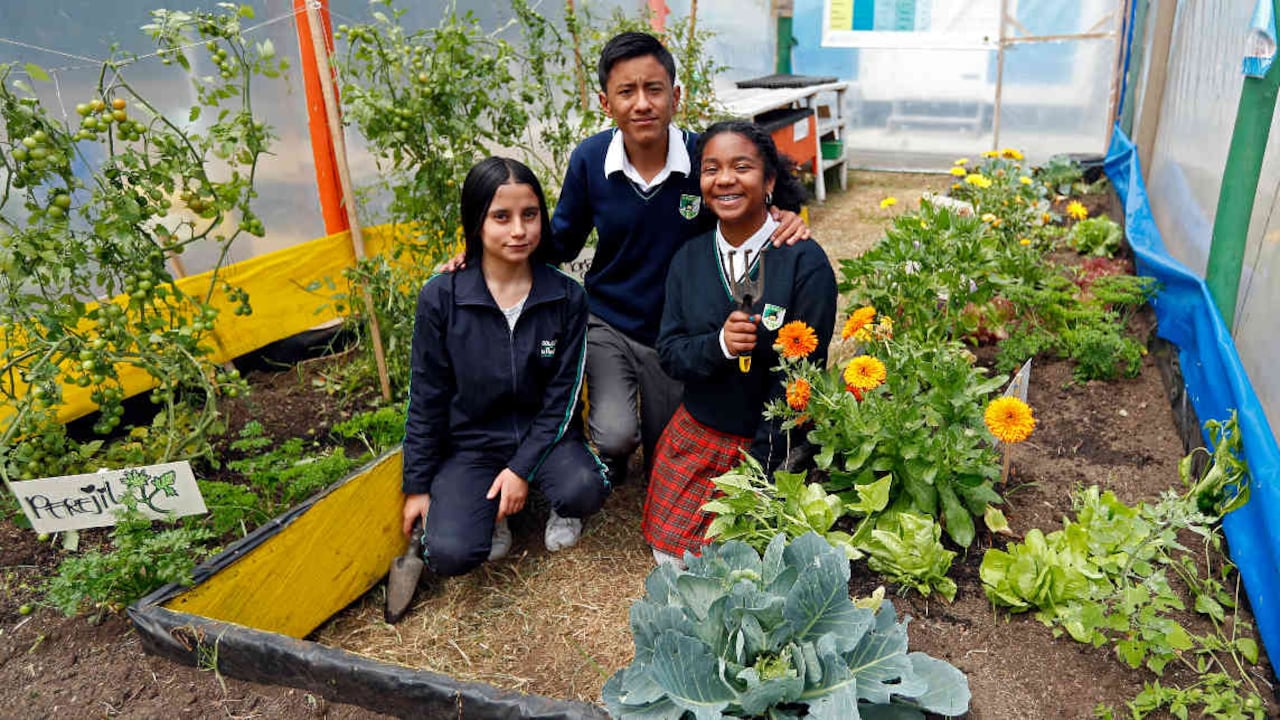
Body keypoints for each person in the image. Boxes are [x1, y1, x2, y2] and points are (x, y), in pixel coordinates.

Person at [542, 32, 810, 485]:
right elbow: (561, 242)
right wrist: (488, 246)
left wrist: (787, 215)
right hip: (612, 320)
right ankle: (611, 454)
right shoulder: (590, 160)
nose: (642, 103)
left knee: (666, 449)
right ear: (606, 104)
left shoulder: (704, 159)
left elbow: (763, 193)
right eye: (627, 92)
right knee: (615, 436)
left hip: (681, 329)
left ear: (676, 96)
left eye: (654, 89)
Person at [401, 157, 610, 577]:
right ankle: (494, 514)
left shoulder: (565, 297)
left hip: (547, 438)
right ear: (476, 221)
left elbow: (562, 400)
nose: (518, 230)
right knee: (449, 554)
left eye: (529, 215)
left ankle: (558, 506)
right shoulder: (443, 297)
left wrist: (519, 469)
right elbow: (427, 396)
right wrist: (417, 487)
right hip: (473, 445)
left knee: (584, 488)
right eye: (501, 217)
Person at [642, 121, 837, 566]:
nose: (725, 179)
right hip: (700, 431)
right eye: (711, 169)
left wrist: (763, 472)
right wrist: (721, 346)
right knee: (672, 557)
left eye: (741, 167)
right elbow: (671, 352)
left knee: (746, 558)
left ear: (769, 181)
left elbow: (799, 381)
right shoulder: (689, 258)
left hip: (771, 439)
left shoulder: (804, 262)